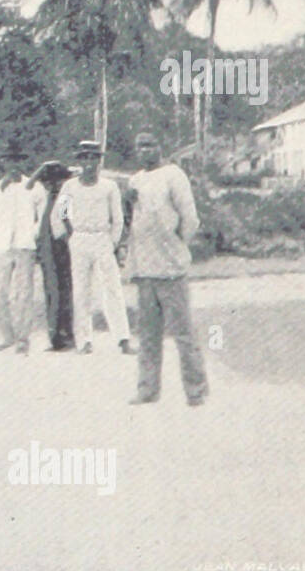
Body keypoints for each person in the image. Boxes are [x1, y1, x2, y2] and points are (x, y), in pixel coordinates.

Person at [125, 133, 209, 406]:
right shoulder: (135, 180)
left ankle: (195, 390)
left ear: (160, 147)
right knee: (148, 336)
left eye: (150, 144)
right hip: (145, 269)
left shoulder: (174, 175)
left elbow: (190, 218)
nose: (145, 150)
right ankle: (147, 389)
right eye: (140, 146)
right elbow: (133, 221)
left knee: (183, 334)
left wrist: (177, 241)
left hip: (171, 269)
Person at [52, 141, 135, 356]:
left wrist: (113, 242)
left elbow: (117, 218)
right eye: (85, 158)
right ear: (79, 161)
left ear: (99, 161)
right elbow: (59, 214)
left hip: (102, 239)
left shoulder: (109, 186)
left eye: (93, 158)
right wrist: (69, 235)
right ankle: (84, 340)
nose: (89, 163)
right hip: (79, 238)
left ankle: (123, 339)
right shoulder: (70, 186)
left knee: (112, 289)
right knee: (81, 291)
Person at [0, 140, 45, 355]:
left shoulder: (34, 186)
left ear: (22, 163)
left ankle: (23, 338)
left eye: (16, 161)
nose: (12, 165)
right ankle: (7, 335)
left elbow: (43, 213)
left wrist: (34, 233)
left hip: (24, 244)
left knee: (23, 293)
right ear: (2, 163)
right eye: (8, 160)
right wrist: (2, 188)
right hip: (2, 244)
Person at [33, 160, 76, 352]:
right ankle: (55, 336)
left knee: (63, 291)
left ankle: (65, 335)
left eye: (57, 181)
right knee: (52, 292)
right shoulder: (44, 197)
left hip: (60, 247)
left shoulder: (66, 198)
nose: (52, 184)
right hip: (47, 248)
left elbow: (67, 222)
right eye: (49, 181)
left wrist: (68, 239)